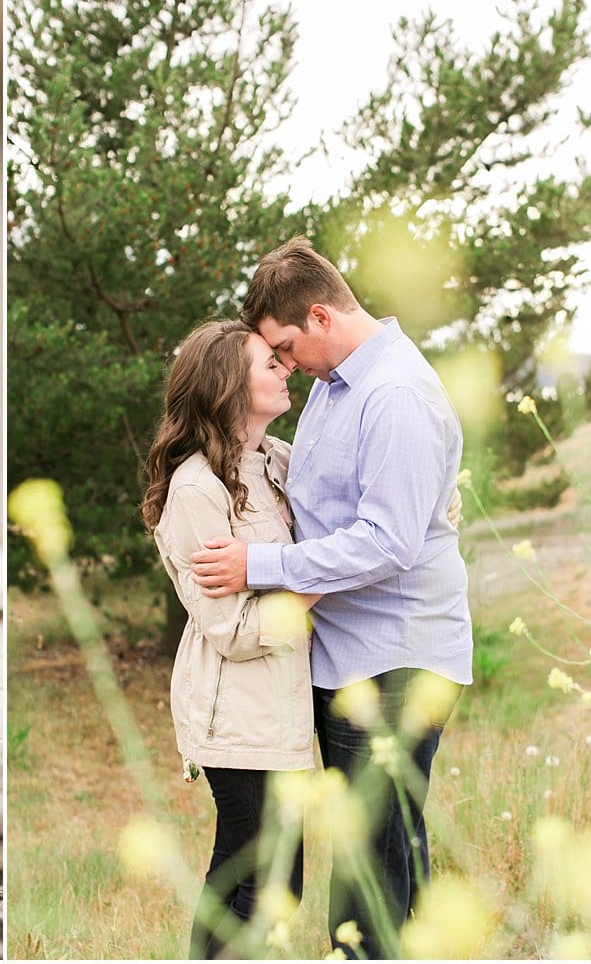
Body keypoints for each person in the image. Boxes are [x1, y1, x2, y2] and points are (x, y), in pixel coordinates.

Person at [190, 237, 471, 959]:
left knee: (373, 862)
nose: (284, 364)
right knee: (373, 849)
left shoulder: (395, 394)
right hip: (345, 658)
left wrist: (261, 564)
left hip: (394, 658)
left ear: (319, 316)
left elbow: (386, 542)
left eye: (285, 346)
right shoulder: (336, 386)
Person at [142, 319, 317, 959]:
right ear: (227, 385)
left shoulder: (274, 461)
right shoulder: (196, 489)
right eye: (268, 361)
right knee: (253, 877)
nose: (285, 368)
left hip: (280, 702)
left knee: (280, 884)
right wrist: (325, 577)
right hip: (236, 706)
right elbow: (235, 630)